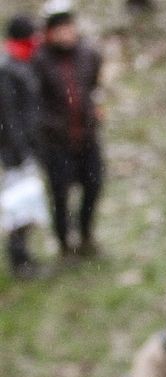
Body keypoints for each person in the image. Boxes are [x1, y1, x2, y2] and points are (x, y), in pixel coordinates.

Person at [31, 0, 104, 259]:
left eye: (68, 27)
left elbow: (94, 86)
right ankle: (64, 243)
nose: (66, 33)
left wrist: (94, 109)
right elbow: (33, 101)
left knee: (93, 186)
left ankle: (86, 235)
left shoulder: (88, 54)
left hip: (87, 136)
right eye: (59, 28)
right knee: (60, 194)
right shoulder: (38, 61)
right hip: (56, 142)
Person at [0, 14, 44, 279]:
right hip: (15, 155)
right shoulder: (7, 70)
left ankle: (24, 256)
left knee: (27, 205)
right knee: (19, 207)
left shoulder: (23, 64)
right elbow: (9, 117)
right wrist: (21, 152)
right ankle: (19, 259)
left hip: (26, 149)